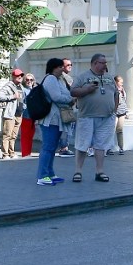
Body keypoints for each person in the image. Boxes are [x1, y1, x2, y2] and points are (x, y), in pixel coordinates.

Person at [70, 53, 118, 182]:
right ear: (95, 63)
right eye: (103, 63)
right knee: (82, 144)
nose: (105, 65)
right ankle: (78, 171)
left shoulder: (109, 77)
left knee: (101, 145)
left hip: (106, 117)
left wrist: (114, 110)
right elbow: (73, 92)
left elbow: (116, 94)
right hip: (87, 116)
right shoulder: (83, 77)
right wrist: (86, 90)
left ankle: (99, 171)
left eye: (105, 63)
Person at [36, 58, 74, 186]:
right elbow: (56, 97)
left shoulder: (58, 80)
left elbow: (65, 93)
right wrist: (70, 99)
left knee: (52, 147)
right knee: (48, 147)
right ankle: (42, 176)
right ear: (53, 68)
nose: (62, 69)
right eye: (60, 67)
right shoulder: (51, 79)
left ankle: (50, 173)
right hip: (50, 119)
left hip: (57, 119)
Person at [0, 69, 25, 158]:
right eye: (17, 75)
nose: (20, 77)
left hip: (19, 114)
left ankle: (11, 153)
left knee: (13, 136)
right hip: (10, 114)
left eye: (21, 75)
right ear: (13, 77)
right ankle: (5, 154)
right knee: (7, 135)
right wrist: (12, 96)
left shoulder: (20, 86)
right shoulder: (8, 86)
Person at [56, 58, 76, 157]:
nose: (70, 66)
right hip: (64, 107)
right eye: (67, 65)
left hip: (68, 106)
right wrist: (71, 99)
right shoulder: (61, 78)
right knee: (65, 128)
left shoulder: (67, 77)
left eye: (70, 64)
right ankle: (63, 148)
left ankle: (64, 147)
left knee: (68, 127)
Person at [19, 73, 38, 157]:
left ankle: (28, 153)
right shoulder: (23, 90)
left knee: (30, 136)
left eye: (31, 80)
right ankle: (25, 153)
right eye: (27, 80)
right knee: (25, 136)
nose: (29, 81)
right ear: (24, 81)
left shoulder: (35, 90)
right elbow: (22, 102)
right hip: (26, 116)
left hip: (33, 117)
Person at [112, 75, 128, 155]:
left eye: (122, 82)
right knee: (111, 130)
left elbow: (125, 101)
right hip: (114, 112)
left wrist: (126, 112)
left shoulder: (123, 90)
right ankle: (109, 148)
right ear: (116, 82)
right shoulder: (113, 90)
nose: (122, 84)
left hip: (122, 112)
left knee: (120, 130)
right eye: (120, 82)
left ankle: (121, 147)